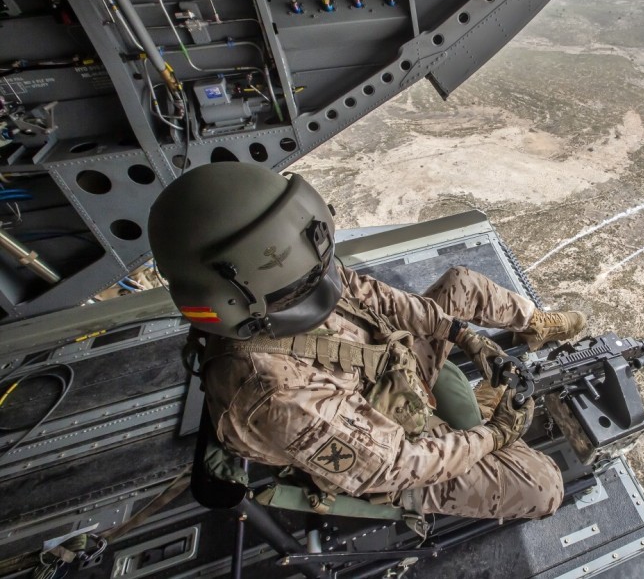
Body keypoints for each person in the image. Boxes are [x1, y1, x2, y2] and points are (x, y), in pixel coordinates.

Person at [147, 162, 586, 520]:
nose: (319, 288)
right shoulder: (274, 396)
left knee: (461, 284)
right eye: (298, 291)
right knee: (544, 486)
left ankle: (535, 324)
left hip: (389, 372)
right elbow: (400, 464)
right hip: (388, 452)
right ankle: (483, 412)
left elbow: (368, 294)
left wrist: (463, 335)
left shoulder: (288, 276)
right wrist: (494, 435)